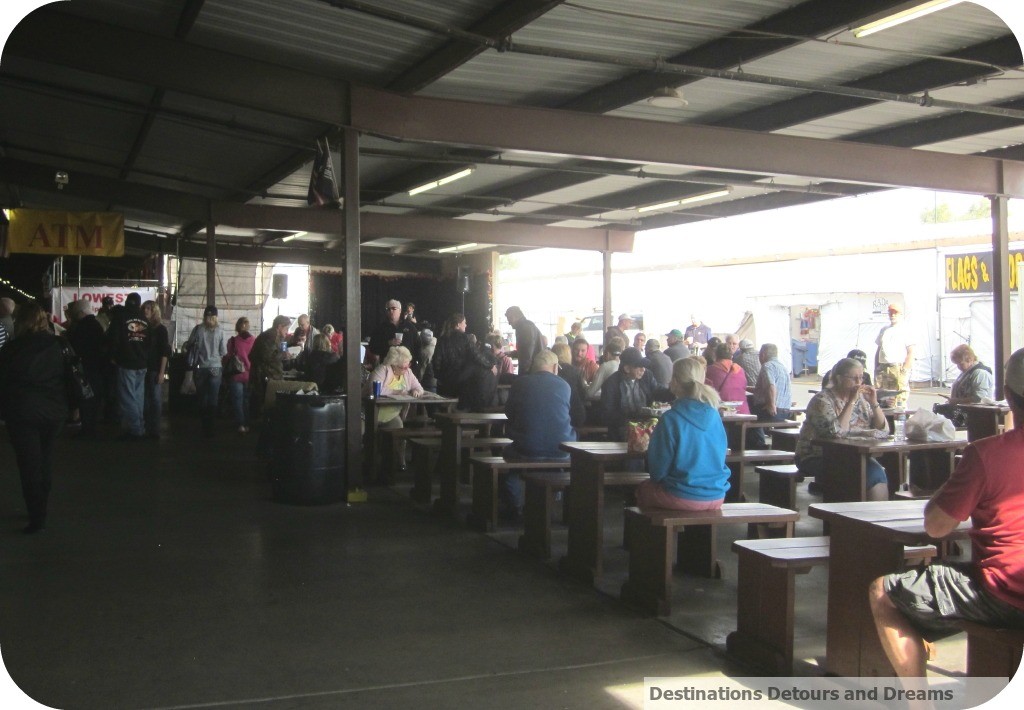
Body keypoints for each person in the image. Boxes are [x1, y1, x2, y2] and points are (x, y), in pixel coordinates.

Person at [868, 348, 1024, 694]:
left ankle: (920, 703)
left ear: (1009, 396)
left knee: (884, 592)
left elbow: (936, 527)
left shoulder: (986, 455)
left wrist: (941, 494)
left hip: (1003, 595)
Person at [0, 301, 71, 533]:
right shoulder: (59, 344)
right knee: (46, 459)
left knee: (29, 464)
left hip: (22, 412)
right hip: (53, 411)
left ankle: (36, 514)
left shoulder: (11, 349)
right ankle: (42, 504)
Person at [635, 357, 731, 511]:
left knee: (643, 489)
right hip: (718, 494)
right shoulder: (714, 415)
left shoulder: (670, 419)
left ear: (675, 382)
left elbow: (657, 472)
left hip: (682, 495)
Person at [796, 357, 889, 501]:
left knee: (875, 470)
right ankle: (854, 516)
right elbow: (836, 433)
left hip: (852, 454)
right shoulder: (822, 401)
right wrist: (851, 401)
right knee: (866, 471)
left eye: (861, 377)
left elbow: (883, 430)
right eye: (853, 378)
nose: (859, 383)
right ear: (839, 378)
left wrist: (874, 403)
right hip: (817, 456)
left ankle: (875, 516)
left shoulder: (862, 401)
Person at [502, 349, 576, 521]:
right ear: (555, 367)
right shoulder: (564, 386)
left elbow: (509, 412)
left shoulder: (520, 383)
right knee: (555, 463)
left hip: (526, 447)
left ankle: (515, 506)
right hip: (561, 449)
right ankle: (551, 500)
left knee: (509, 463)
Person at [600, 347, 671, 441]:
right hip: (621, 433)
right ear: (627, 368)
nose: (643, 369)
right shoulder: (611, 384)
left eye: (644, 366)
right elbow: (607, 415)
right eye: (639, 366)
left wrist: (673, 391)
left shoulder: (647, 376)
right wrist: (635, 415)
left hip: (647, 431)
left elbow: (657, 391)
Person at [107, 292, 149, 441]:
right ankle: (139, 427)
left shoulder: (120, 318)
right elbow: (149, 342)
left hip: (126, 362)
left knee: (127, 398)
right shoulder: (145, 319)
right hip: (142, 364)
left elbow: (113, 339)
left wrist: (113, 356)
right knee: (138, 397)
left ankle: (134, 430)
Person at [65, 299, 106, 438]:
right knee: (94, 400)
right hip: (97, 367)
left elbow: (76, 348)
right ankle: (91, 428)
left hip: (85, 368)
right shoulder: (97, 325)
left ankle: (87, 429)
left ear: (81, 312)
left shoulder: (82, 327)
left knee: (85, 399)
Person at [185, 306, 226, 438]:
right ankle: (211, 428)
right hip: (215, 367)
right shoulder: (220, 331)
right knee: (213, 397)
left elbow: (188, 345)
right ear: (216, 316)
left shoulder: (198, 329)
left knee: (202, 397)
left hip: (201, 367)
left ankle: (204, 426)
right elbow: (223, 352)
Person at [932, 344, 993, 428]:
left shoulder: (980, 373)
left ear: (970, 359)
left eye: (960, 364)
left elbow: (979, 398)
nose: (958, 367)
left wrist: (957, 401)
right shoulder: (968, 371)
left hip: (977, 415)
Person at [368, 345, 424, 430]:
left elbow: (419, 388)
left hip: (391, 416)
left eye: (408, 365)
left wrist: (416, 391)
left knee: (398, 430)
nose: (407, 369)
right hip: (370, 414)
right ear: (393, 364)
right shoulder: (382, 370)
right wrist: (396, 391)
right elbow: (373, 390)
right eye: (403, 367)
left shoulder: (408, 372)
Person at [749, 343, 792, 449]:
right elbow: (764, 388)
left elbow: (771, 386)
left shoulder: (767, 366)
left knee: (746, 416)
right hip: (785, 411)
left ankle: (759, 447)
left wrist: (771, 404)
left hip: (772, 411)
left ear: (763, 354)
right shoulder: (783, 367)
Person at [249, 315, 291, 420]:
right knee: (266, 401)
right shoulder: (269, 337)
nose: (287, 331)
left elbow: (281, 352)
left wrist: (285, 354)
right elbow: (267, 357)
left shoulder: (279, 337)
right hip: (265, 375)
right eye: (286, 328)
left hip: (271, 374)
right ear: (280, 326)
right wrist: (283, 355)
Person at [875, 303, 914, 408]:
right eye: (891, 313)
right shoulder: (884, 330)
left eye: (895, 313)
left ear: (901, 315)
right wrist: (876, 368)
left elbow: (911, 352)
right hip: (882, 367)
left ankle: (898, 419)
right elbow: (879, 349)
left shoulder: (905, 330)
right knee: (881, 396)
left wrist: (904, 371)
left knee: (897, 396)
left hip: (897, 367)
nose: (892, 315)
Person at [142, 300, 170, 440]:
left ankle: (154, 429)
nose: (146, 311)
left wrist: (161, 372)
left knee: (155, 399)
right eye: (144, 308)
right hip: (143, 368)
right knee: (145, 399)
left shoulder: (160, 329)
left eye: (149, 308)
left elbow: (164, 352)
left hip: (154, 368)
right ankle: (146, 427)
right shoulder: (142, 328)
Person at [368, 300, 421, 372]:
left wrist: (413, 362)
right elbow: (372, 348)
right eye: (388, 309)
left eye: (394, 308)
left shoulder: (410, 327)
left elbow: (418, 346)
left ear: (400, 310)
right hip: (388, 369)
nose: (391, 311)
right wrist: (388, 343)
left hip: (407, 368)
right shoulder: (380, 328)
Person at [225, 317, 255, 434]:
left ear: (237, 327)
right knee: (246, 400)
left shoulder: (232, 341)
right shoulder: (254, 340)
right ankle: (247, 424)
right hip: (249, 375)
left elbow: (227, 357)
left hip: (236, 375)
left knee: (237, 400)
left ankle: (241, 424)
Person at [432, 313, 472, 399]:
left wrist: (439, 376)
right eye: (464, 322)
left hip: (444, 382)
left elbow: (436, 360)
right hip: (461, 382)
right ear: (458, 324)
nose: (466, 325)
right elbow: (474, 356)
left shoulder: (442, 339)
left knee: (443, 407)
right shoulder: (464, 338)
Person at [704, 342, 749, 413]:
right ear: (731, 356)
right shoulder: (740, 370)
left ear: (715, 355)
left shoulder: (709, 371)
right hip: (742, 412)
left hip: (720, 412)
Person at [551, 342, 586, 428]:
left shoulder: (550, 370)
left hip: (554, 412)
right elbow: (583, 394)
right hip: (574, 412)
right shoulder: (575, 371)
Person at [504, 306, 543, 374]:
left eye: (509, 319)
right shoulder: (527, 326)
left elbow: (527, 355)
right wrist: (511, 353)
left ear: (515, 316)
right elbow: (525, 350)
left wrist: (523, 376)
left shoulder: (525, 328)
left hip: (531, 372)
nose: (509, 323)